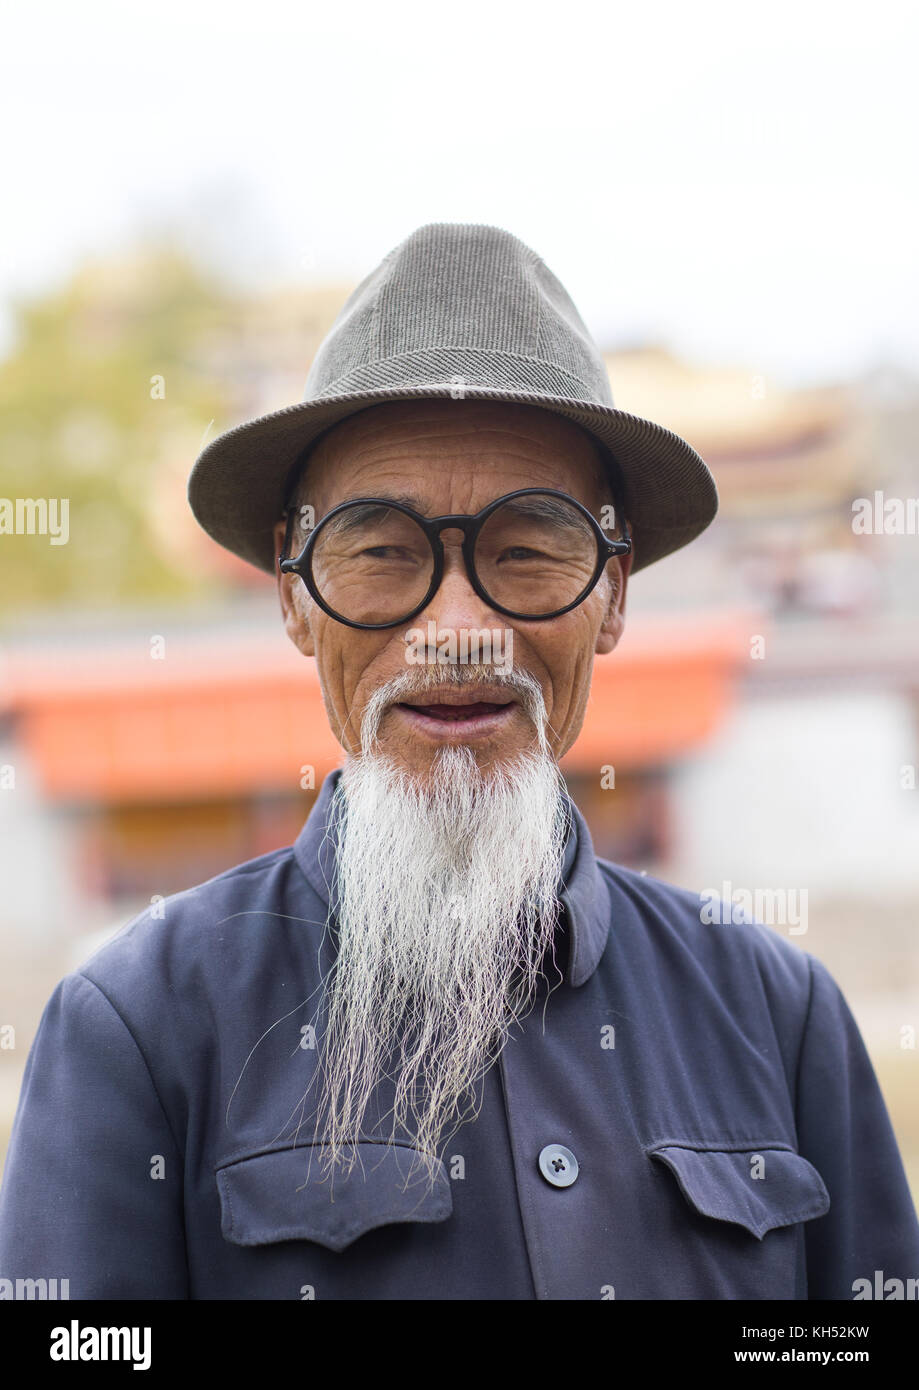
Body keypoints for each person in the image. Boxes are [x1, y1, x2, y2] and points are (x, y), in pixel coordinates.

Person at [1, 223, 916, 1300]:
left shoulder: (777, 1013)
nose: (458, 629)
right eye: (382, 551)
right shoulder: (140, 1031)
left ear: (613, 593)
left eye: (526, 549)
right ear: (295, 595)